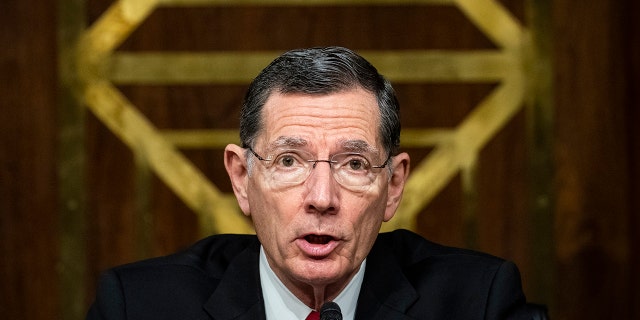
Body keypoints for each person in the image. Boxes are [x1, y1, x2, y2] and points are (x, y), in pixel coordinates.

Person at [87, 46, 534, 320]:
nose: (322, 198)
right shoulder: (138, 306)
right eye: (289, 160)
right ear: (242, 178)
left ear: (393, 185)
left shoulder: (481, 303)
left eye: (354, 164)